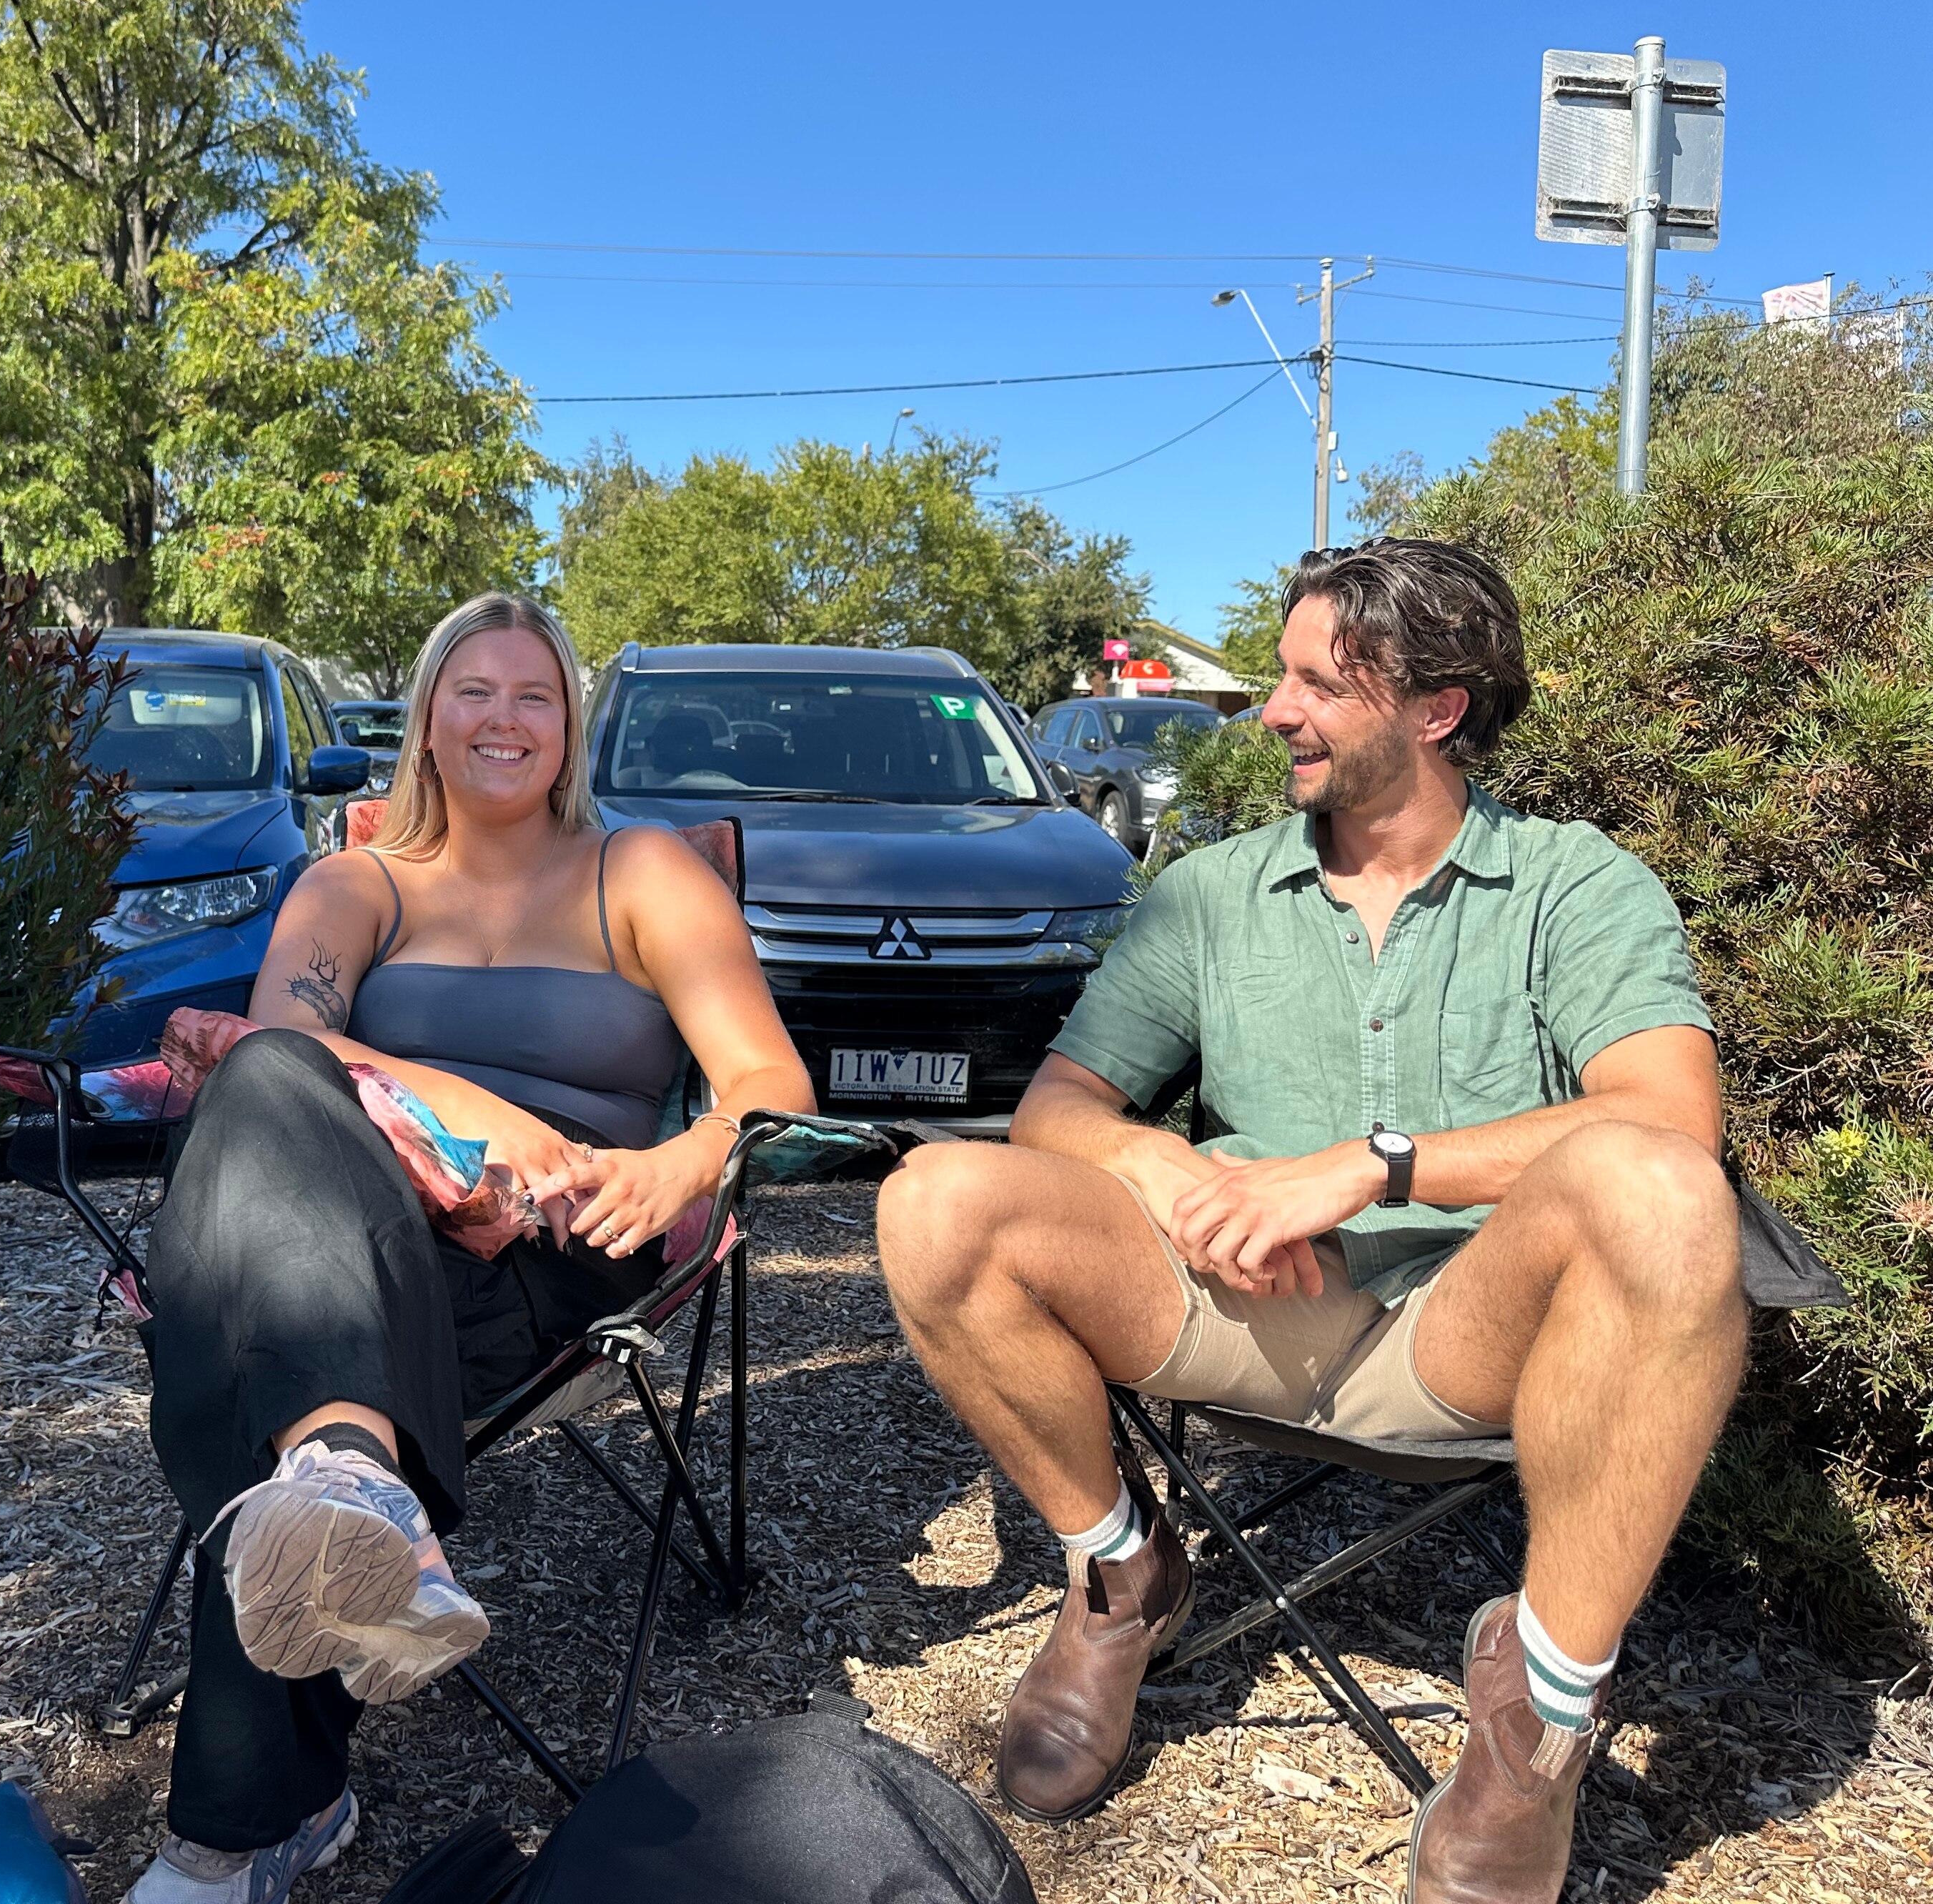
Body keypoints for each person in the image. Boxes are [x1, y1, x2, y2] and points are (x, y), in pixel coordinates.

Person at [877, 538, 1741, 1904]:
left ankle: (1538, 1730)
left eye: (1313, 684)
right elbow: (1060, 1109)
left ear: (1434, 709)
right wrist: (1177, 1177)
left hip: (1468, 1335)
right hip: (1240, 1310)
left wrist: (1374, 1165)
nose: (1274, 711)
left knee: (1663, 1190)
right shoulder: (1211, 893)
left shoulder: (1577, 885)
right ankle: (1119, 1578)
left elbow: (1668, 1121)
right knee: (938, 1200)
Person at [126, 594, 815, 1903]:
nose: (505, 719)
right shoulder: (356, 883)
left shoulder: (644, 873)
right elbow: (285, 1063)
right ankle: (346, 1486)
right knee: (270, 1106)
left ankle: (241, 1824)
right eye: (475, 694)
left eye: (535, 696)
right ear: (426, 725)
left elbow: (770, 1088)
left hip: (563, 1249)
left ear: (570, 728)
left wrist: (682, 1157)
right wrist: (470, 1105)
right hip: (369, 1231)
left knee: (245, 1316)